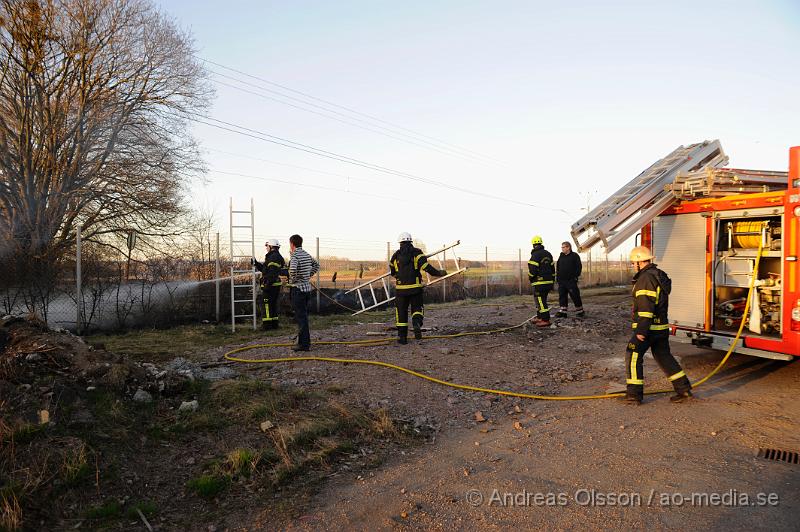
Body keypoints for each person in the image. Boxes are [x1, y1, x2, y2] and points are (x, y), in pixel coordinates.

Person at [624, 246, 692, 404]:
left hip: (648, 329)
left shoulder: (645, 279)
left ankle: (633, 395)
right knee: (663, 356)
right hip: (660, 327)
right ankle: (683, 389)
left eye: (634, 262)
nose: (633, 265)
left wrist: (641, 331)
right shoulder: (658, 275)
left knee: (632, 355)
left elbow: (646, 307)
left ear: (640, 262)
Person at [389, 232, 447, 344]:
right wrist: (439, 273)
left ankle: (402, 338)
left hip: (400, 290)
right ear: (411, 241)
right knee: (417, 308)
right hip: (415, 288)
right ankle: (416, 323)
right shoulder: (417, 253)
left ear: (400, 242)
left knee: (401, 312)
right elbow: (426, 267)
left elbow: (393, 272)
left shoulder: (395, 256)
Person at [286, 234, 319, 352]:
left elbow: (293, 270)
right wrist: (307, 275)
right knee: (303, 316)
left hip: (298, 290)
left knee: (301, 318)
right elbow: (316, 265)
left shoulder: (295, 255)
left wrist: (292, 280)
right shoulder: (306, 254)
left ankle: (304, 345)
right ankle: (303, 342)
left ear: (292, 244)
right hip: (306, 290)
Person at [252, 239, 285, 330]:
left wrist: (267, 285)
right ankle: (274, 324)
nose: (266, 248)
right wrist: (257, 264)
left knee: (266, 304)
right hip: (274, 285)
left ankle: (267, 325)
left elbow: (272, 272)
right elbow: (266, 269)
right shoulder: (274, 256)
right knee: (272, 305)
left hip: (271, 286)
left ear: (271, 246)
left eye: (267, 246)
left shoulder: (273, 257)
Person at [527, 235, 554, 327]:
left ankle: (545, 320)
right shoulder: (548, 254)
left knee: (540, 301)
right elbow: (552, 269)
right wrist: (552, 281)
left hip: (539, 283)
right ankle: (540, 317)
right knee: (542, 300)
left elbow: (532, 271)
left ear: (533, 245)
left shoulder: (535, 255)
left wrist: (530, 277)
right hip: (548, 282)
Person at [555, 241, 585, 318]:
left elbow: (579, 267)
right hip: (562, 281)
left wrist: (575, 277)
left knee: (575, 295)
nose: (562, 249)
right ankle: (563, 312)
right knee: (562, 296)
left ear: (568, 247)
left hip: (571, 280)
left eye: (563, 247)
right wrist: (558, 278)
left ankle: (580, 311)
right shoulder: (561, 256)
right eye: (562, 247)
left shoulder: (574, 256)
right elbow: (558, 267)